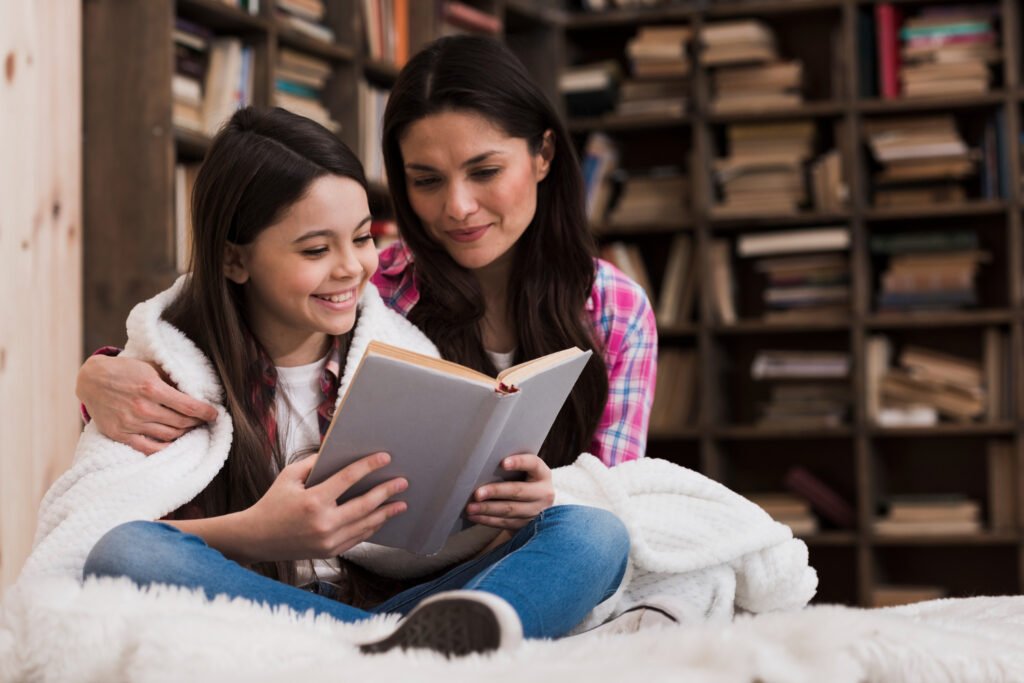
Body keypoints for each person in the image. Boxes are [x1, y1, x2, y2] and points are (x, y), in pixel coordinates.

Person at [71, 106, 631, 656]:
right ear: (234, 260)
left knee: (593, 535)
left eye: (362, 239)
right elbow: (95, 535)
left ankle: (387, 651)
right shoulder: (165, 376)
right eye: (316, 249)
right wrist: (257, 532)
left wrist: (507, 504)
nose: (351, 268)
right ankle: (399, 656)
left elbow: (442, 533)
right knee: (125, 553)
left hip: (399, 606)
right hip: (253, 607)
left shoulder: (404, 354)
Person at [75, 35, 658, 469]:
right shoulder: (371, 286)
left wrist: (548, 501)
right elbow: (211, 330)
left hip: (544, 543)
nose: (458, 207)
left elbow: (615, 491)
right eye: (426, 180)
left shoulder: (614, 307)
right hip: (393, 563)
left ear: (543, 155)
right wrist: (97, 375)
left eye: (484, 171)